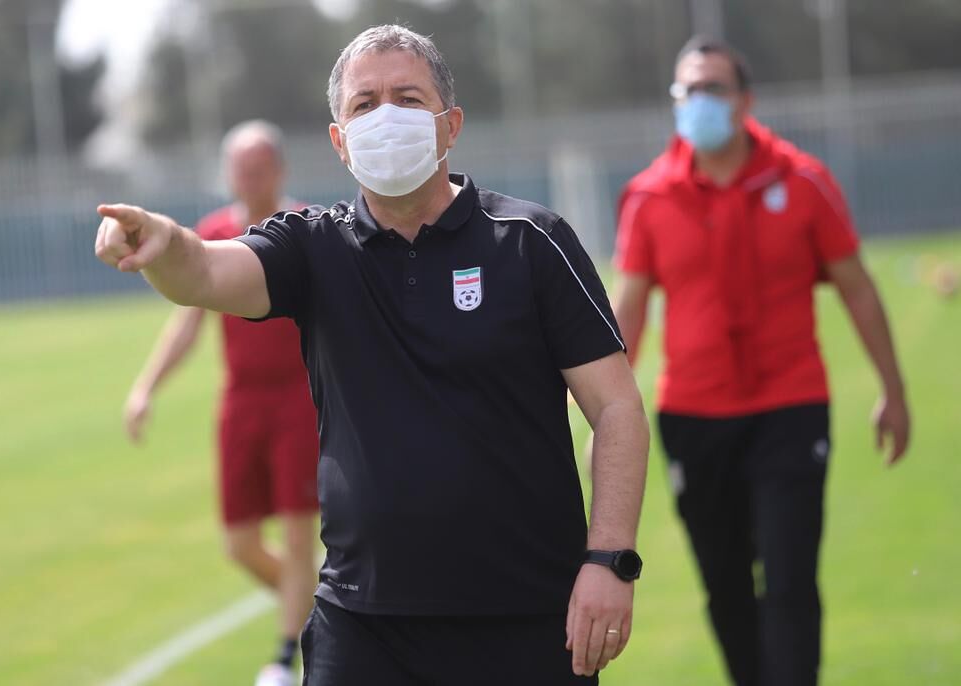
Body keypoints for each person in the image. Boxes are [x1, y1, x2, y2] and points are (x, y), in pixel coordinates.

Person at [97, 25, 649, 685]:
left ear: (451, 126)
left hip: (527, 616)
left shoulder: (532, 242)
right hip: (361, 626)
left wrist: (610, 560)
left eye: (408, 99)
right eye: (364, 104)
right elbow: (206, 272)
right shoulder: (311, 247)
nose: (386, 117)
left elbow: (617, 409)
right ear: (340, 140)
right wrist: (163, 240)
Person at [612, 36, 911, 686]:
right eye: (688, 89)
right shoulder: (650, 196)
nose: (699, 100)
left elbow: (857, 288)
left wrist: (893, 389)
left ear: (745, 101)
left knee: (789, 578)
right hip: (693, 415)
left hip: (789, 408)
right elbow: (627, 311)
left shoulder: (802, 181)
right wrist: (604, 412)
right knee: (725, 586)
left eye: (713, 88)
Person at [122, 121, 319, 686]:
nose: (249, 180)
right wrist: (146, 387)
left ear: (279, 171)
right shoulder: (211, 235)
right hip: (242, 402)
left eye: (259, 169)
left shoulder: (306, 230)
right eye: (240, 170)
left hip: (299, 400)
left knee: (299, 536)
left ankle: (283, 658)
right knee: (239, 543)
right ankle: (325, 612)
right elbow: (187, 325)